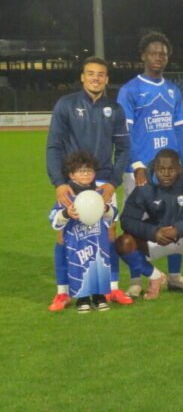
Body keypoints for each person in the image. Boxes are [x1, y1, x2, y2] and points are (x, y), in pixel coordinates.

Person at [46, 56, 132, 309]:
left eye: (101, 74)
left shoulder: (114, 109)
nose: (96, 78)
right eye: (91, 73)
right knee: (65, 234)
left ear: (107, 79)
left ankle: (111, 288)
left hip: (103, 180)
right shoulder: (66, 104)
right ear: (83, 77)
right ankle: (63, 291)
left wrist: (113, 182)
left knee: (109, 233)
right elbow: (54, 146)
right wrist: (60, 183)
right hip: (72, 181)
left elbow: (124, 149)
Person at [116, 31, 183, 297]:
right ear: (143, 56)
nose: (158, 57)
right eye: (153, 53)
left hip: (171, 171)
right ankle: (138, 278)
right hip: (139, 172)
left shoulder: (173, 91)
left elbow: (180, 129)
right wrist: (137, 164)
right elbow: (124, 133)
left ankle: (173, 275)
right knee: (136, 223)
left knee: (174, 220)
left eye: (163, 54)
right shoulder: (130, 90)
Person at [115, 149, 183, 300]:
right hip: (157, 238)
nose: (166, 174)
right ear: (154, 168)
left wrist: (179, 229)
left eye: (171, 169)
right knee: (123, 242)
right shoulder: (145, 185)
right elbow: (127, 220)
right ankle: (155, 277)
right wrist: (153, 232)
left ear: (179, 168)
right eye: (161, 169)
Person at [48, 151, 116, 313]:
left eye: (89, 171)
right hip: (76, 241)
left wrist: (106, 209)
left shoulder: (100, 193)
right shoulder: (66, 196)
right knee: (79, 267)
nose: (85, 174)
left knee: (100, 265)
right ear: (71, 175)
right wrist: (66, 213)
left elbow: (113, 216)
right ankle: (82, 298)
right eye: (80, 171)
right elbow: (53, 218)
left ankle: (99, 297)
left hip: (98, 239)